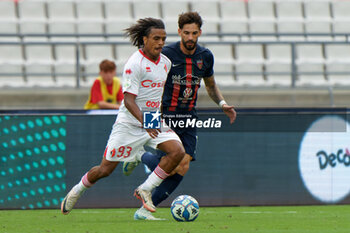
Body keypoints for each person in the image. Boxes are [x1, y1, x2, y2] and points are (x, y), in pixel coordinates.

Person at [61, 17, 185, 215]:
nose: (161, 42)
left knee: (177, 151)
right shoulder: (134, 64)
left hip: (152, 119)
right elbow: (128, 101)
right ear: (144, 39)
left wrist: (155, 117)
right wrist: (145, 122)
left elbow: (157, 95)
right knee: (104, 170)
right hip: (128, 123)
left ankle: (146, 188)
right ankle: (78, 190)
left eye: (163, 38)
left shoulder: (166, 63)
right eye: (156, 38)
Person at [123, 12, 237, 220]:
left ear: (200, 32)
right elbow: (147, 79)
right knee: (174, 160)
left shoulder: (205, 57)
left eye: (194, 33)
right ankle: (139, 156)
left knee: (182, 165)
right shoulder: (165, 54)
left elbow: (210, 86)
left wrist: (222, 104)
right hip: (163, 113)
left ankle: (143, 206)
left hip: (188, 117)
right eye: (186, 33)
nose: (190, 37)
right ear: (179, 32)